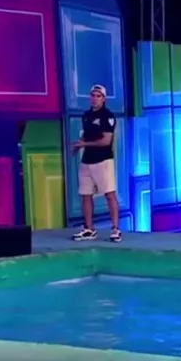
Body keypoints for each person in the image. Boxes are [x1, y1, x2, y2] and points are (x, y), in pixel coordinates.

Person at [72, 84, 122, 242]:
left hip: (103, 161)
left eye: (98, 96)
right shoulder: (86, 116)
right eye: (92, 95)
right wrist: (78, 145)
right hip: (87, 161)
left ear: (104, 99)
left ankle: (115, 229)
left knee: (109, 194)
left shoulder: (107, 116)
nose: (94, 99)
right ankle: (89, 229)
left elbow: (106, 141)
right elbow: (87, 136)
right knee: (85, 195)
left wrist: (85, 144)